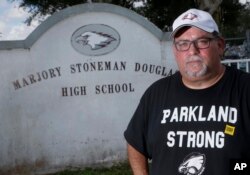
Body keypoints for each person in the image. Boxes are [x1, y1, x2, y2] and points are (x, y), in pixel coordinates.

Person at [124, 8, 250, 175]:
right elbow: (135, 142)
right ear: (175, 51)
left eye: (202, 41)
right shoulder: (156, 94)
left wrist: (233, 168)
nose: (192, 51)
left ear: (220, 45)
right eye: (183, 44)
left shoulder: (244, 89)